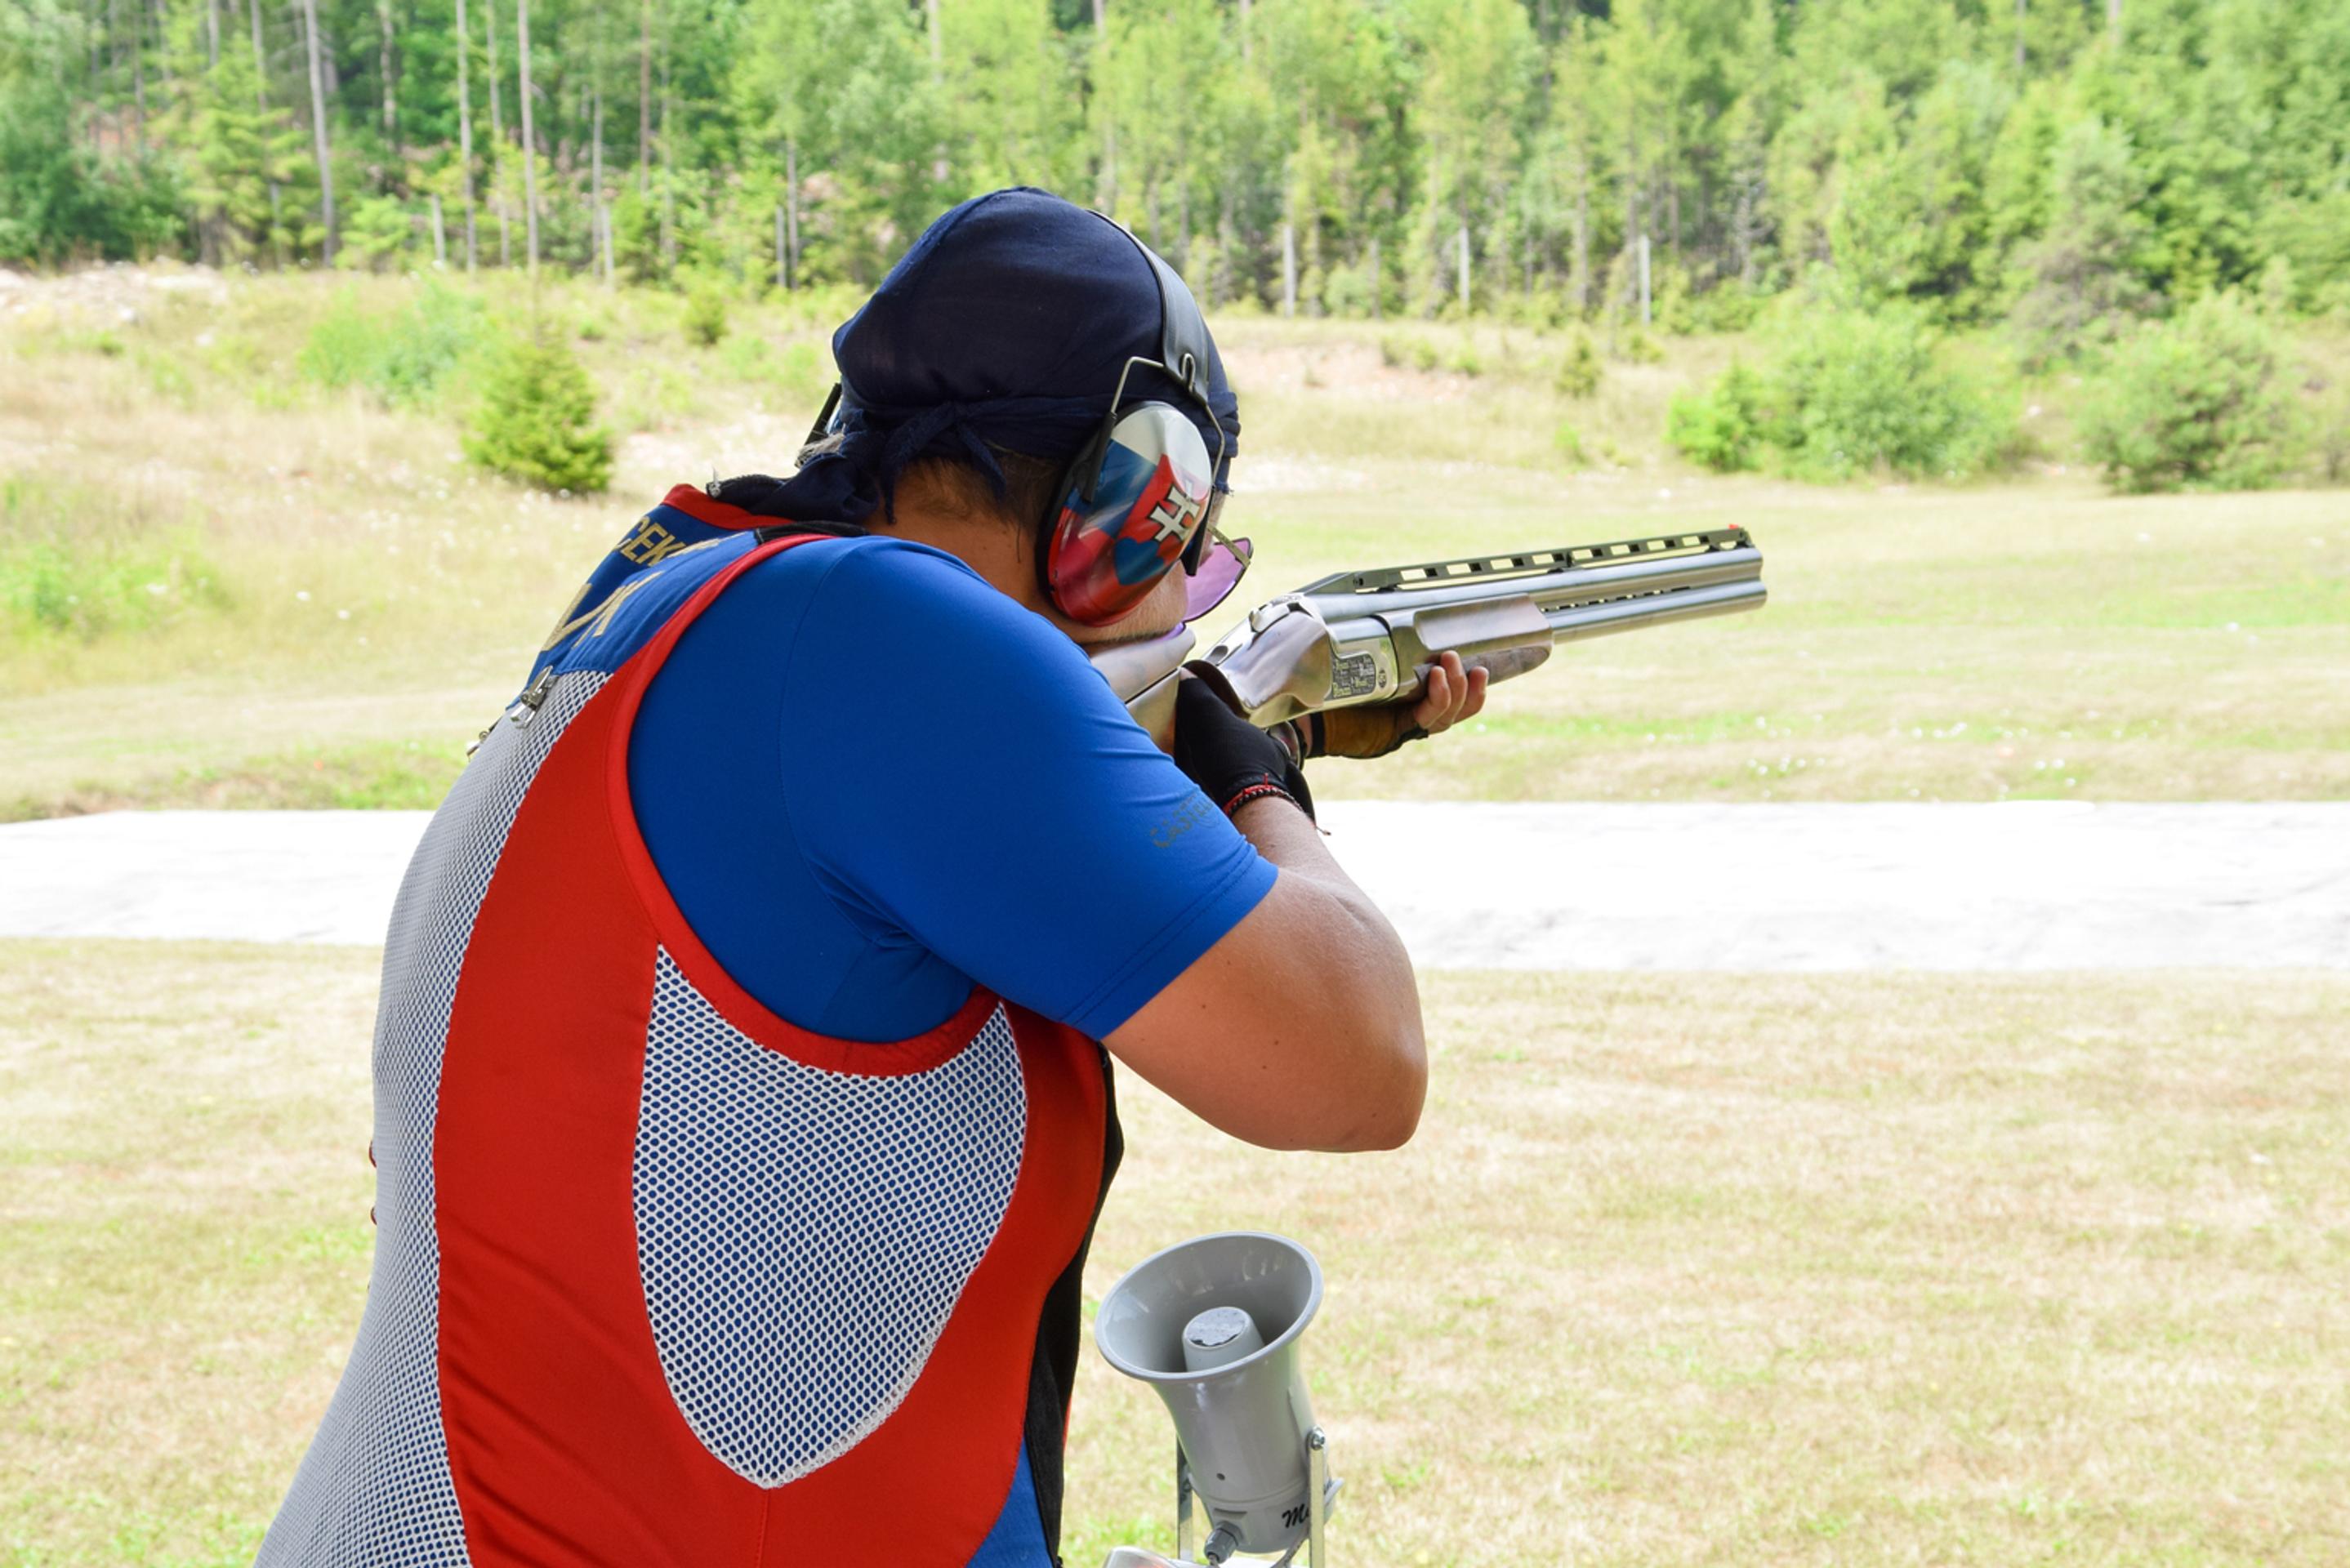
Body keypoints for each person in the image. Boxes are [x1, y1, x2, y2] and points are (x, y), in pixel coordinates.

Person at [256, 187, 1486, 1568]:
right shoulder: (886, 633)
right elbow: (1355, 1062)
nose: (1182, 597)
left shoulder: (683, 606)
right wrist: (1250, 775)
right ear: (1128, 502)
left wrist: (1233, 750)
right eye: (1180, 550)